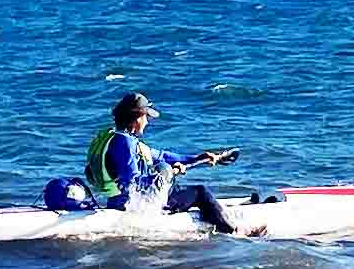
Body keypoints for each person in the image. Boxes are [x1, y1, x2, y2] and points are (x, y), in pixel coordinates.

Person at [84, 92, 242, 234]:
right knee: (200, 192)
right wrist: (168, 173)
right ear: (137, 118)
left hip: (116, 200)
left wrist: (199, 158)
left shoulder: (115, 137)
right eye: (146, 117)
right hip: (135, 206)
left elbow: (162, 156)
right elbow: (132, 183)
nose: (148, 122)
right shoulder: (125, 144)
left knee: (169, 176)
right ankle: (232, 232)